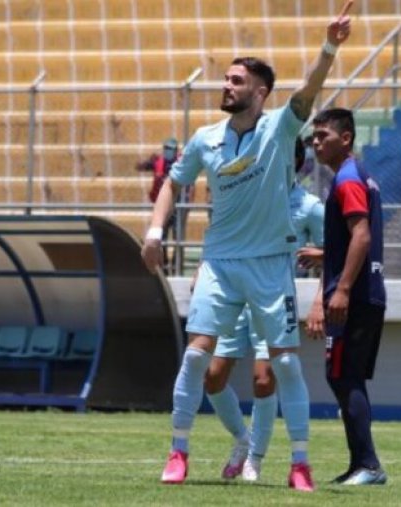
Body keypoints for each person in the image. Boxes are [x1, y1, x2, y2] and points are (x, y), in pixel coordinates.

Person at [140, 0, 354, 492]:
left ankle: (299, 463)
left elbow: (309, 91)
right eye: (227, 78)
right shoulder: (205, 138)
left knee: (281, 363)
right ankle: (179, 451)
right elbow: (174, 182)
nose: (227, 85)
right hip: (219, 262)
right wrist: (154, 232)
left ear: (260, 93)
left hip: (268, 266)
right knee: (197, 358)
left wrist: (328, 47)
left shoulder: (278, 129)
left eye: (237, 81)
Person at [204, 137, 325, 483]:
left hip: (272, 299)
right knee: (212, 378)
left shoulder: (310, 206)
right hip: (235, 296)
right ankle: (242, 441)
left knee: (264, 378)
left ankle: (255, 459)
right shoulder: (249, 194)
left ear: (295, 163)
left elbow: (332, 252)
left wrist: (318, 300)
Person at [302, 108, 388, 486]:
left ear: (346, 138)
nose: (316, 143)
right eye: (313, 138)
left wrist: (342, 290)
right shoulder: (360, 176)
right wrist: (327, 256)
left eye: (323, 136)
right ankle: (360, 466)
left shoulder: (347, 180)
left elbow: (362, 236)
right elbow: (357, 238)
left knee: (342, 376)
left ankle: (368, 466)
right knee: (346, 376)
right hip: (367, 292)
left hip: (355, 296)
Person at [138, 137, 181, 274]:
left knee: (178, 238)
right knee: (162, 238)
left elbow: (188, 187)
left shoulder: (181, 164)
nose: (168, 151)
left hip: (179, 208)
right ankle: (164, 267)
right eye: (166, 148)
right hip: (164, 207)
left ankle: (177, 267)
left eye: (171, 149)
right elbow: (142, 166)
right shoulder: (159, 163)